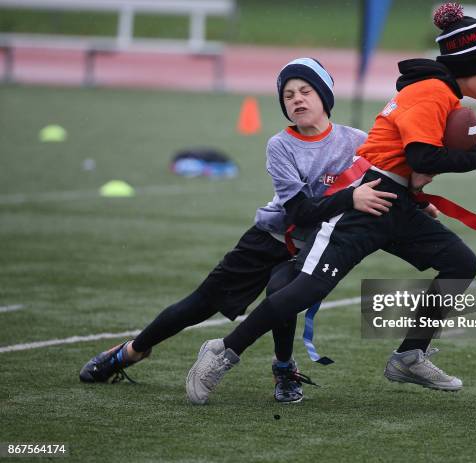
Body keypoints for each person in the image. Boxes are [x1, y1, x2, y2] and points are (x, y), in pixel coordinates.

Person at [186, 2, 476, 403]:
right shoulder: (431, 93)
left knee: (462, 263)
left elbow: (414, 159)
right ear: (468, 65)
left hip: (396, 200)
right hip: (370, 200)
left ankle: (410, 354)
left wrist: (417, 189)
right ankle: (222, 352)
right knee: (303, 290)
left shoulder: (439, 93)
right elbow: (424, 156)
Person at [80, 57, 396, 404]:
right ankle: (130, 352)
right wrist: (352, 197)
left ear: (324, 96)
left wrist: (421, 201)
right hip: (270, 239)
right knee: (200, 304)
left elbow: (390, 179)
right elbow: (301, 212)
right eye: (288, 95)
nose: (297, 99)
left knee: (283, 295)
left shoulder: (357, 142)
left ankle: (284, 370)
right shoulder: (280, 146)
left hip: (315, 247)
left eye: (306, 91)